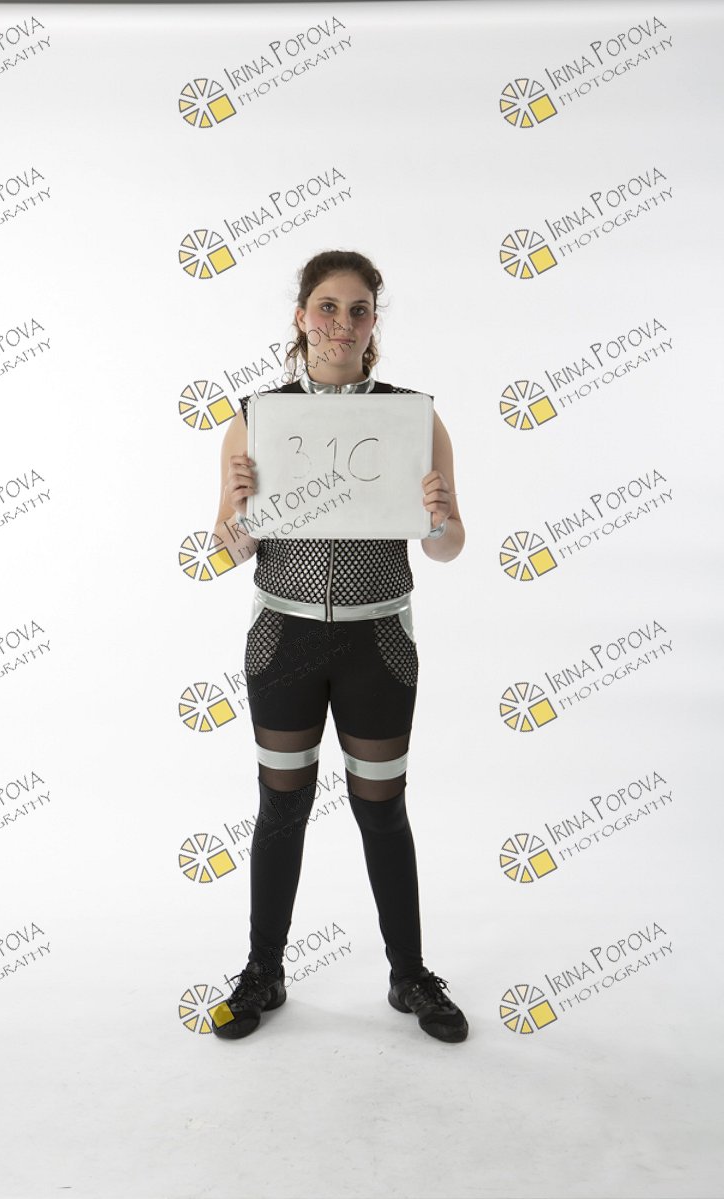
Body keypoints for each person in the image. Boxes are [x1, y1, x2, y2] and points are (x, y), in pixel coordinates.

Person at [208, 249, 468, 1044]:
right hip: (283, 635)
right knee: (281, 806)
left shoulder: (413, 418)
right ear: (301, 317)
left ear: (373, 322)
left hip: (378, 639)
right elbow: (227, 549)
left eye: (358, 310)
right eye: (327, 306)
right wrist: (238, 514)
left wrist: (438, 518)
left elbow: (449, 546)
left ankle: (409, 974)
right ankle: (264, 971)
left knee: (381, 808)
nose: (342, 323)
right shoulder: (258, 417)